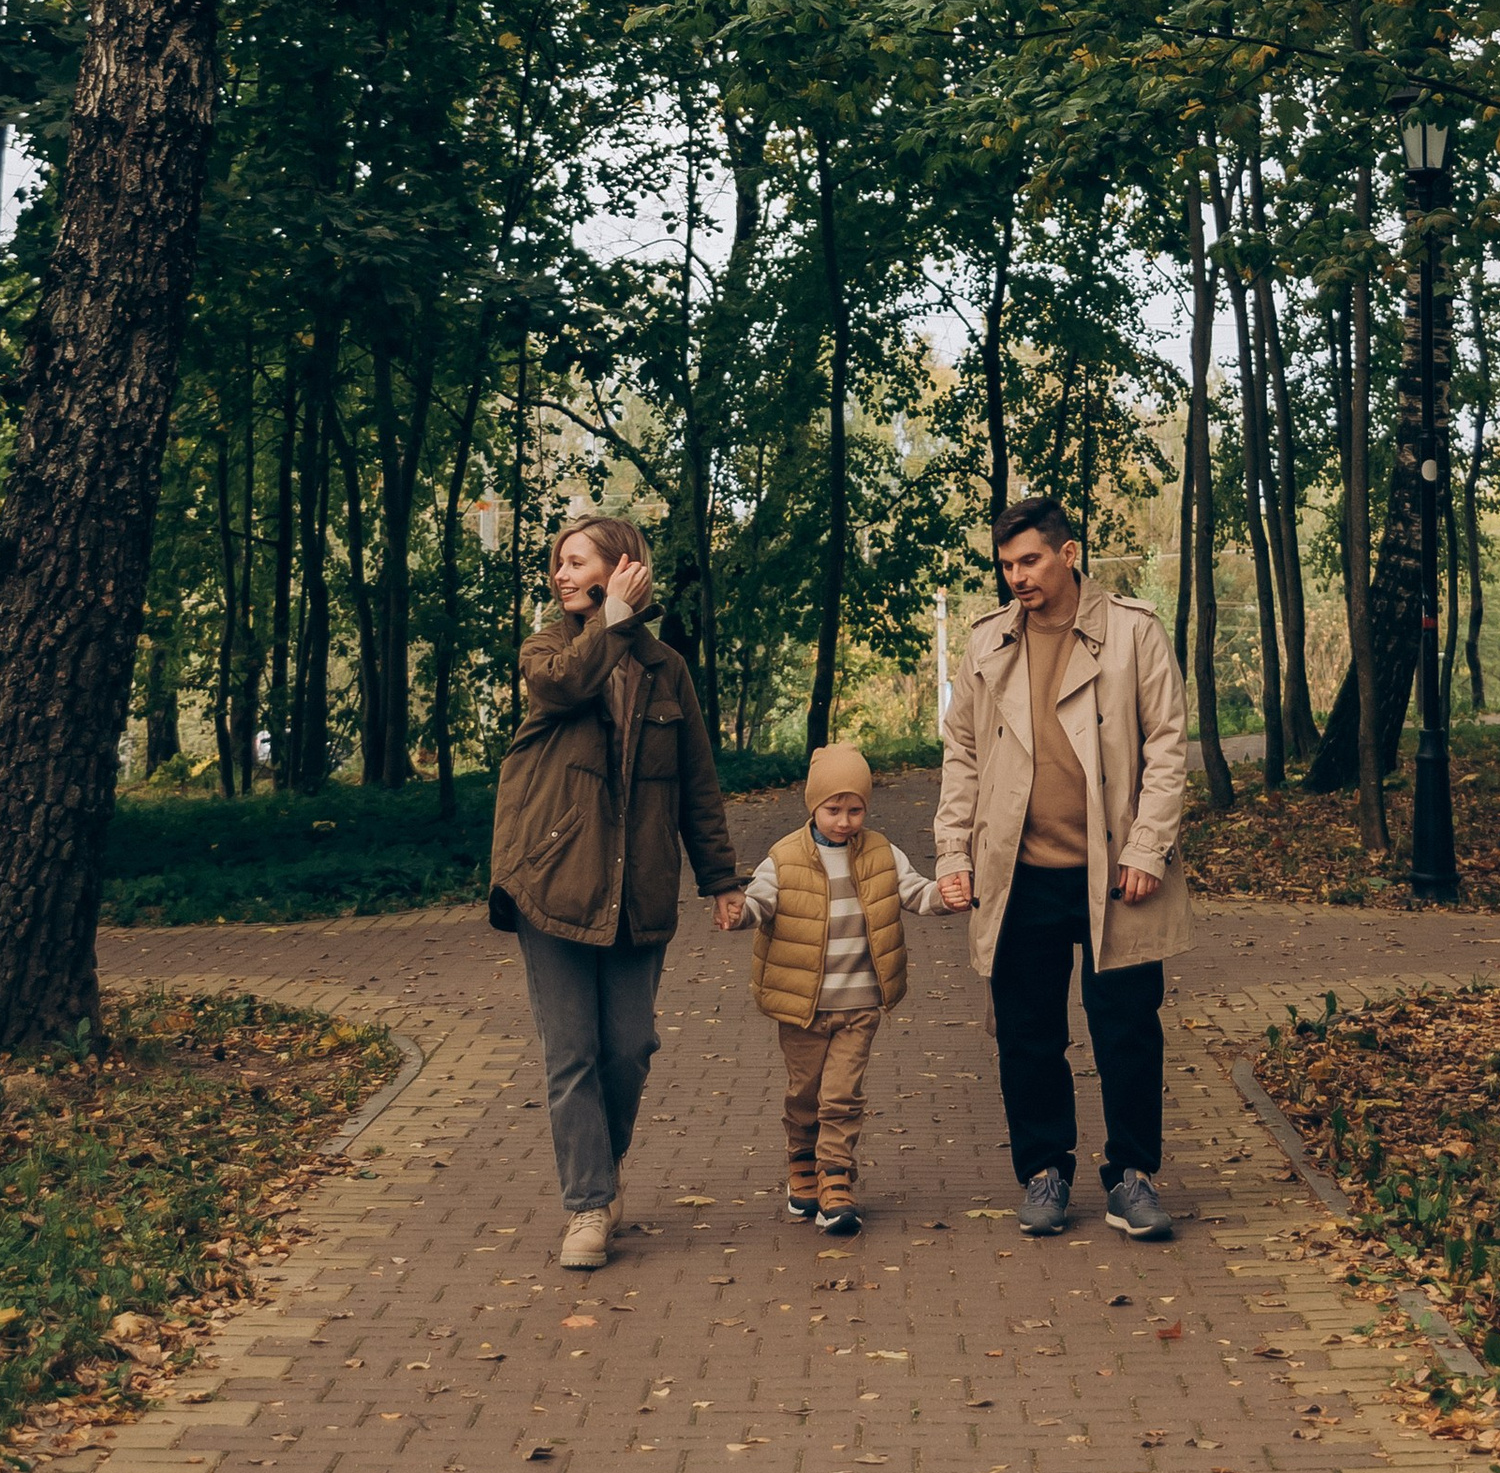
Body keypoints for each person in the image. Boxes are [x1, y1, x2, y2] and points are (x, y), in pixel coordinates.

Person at [486, 514, 744, 1269]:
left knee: (627, 1049)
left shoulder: (668, 670)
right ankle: (588, 1205)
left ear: (623, 564)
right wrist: (614, 619)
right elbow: (566, 683)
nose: (559, 575)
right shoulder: (546, 650)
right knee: (571, 1054)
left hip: (639, 891)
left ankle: (602, 1165)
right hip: (551, 884)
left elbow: (698, 783)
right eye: (556, 565)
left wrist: (721, 878)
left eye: (575, 561)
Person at [935, 494, 1189, 1240]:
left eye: (1030, 560)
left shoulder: (1133, 633)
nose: (1017, 576)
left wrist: (1146, 847)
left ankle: (1133, 1174)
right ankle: (1044, 1169)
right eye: (1006, 563)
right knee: (1027, 1030)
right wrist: (953, 852)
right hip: (1019, 870)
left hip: (1116, 872)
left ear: (1068, 552)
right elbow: (963, 755)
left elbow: (1168, 746)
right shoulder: (986, 643)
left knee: (1127, 1028)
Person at [724, 742, 946, 1235]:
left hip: (861, 1001)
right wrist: (740, 913)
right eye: (833, 809)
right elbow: (760, 901)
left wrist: (943, 896)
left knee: (841, 1096)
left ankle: (836, 1178)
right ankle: (801, 1160)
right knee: (805, 1093)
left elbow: (914, 891)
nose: (844, 820)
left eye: (855, 809)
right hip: (803, 1005)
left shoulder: (883, 853)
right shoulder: (783, 857)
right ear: (813, 806)